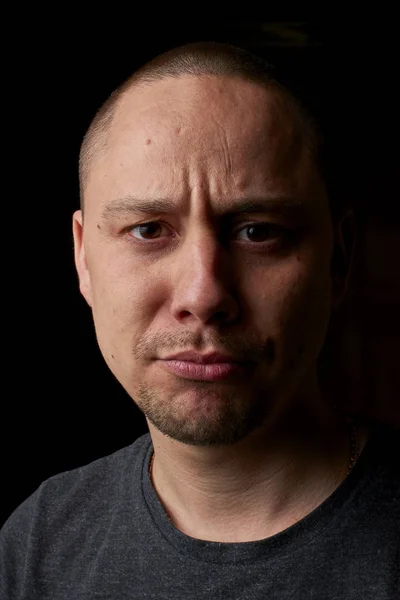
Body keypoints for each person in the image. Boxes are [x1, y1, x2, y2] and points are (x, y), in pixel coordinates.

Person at [1, 42, 398, 599]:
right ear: (82, 258)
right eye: (147, 230)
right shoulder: (37, 543)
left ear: (339, 260)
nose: (204, 293)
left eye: (257, 231)